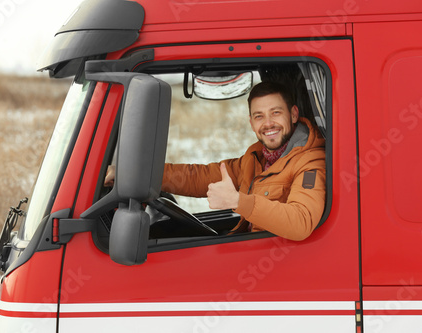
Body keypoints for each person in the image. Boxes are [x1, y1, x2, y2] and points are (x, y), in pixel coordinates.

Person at [105, 81, 326, 241]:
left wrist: (239, 201)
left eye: (275, 113)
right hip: (247, 252)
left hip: (276, 269)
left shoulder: (310, 161)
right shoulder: (255, 158)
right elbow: (199, 176)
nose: (268, 123)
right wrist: (134, 173)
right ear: (251, 122)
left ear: (294, 115)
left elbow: (301, 222)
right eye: (259, 116)